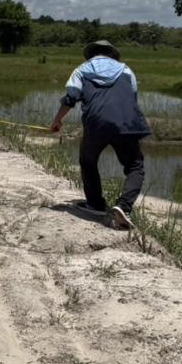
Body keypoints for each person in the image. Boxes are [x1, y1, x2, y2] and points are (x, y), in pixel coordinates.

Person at [49, 40, 150, 230]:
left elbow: (71, 98)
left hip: (96, 122)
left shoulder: (81, 69)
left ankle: (95, 204)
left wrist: (57, 120)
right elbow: (132, 97)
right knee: (135, 166)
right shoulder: (126, 70)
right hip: (126, 121)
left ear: (91, 54)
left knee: (88, 160)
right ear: (112, 54)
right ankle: (124, 206)